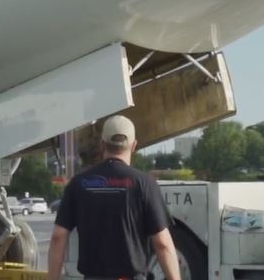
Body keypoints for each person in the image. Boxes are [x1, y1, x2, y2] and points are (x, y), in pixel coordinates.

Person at [48, 115, 181, 280]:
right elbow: (162, 243)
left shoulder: (79, 183)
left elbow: (58, 236)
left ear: (102, 144)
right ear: (134, 146)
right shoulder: (145, 184)